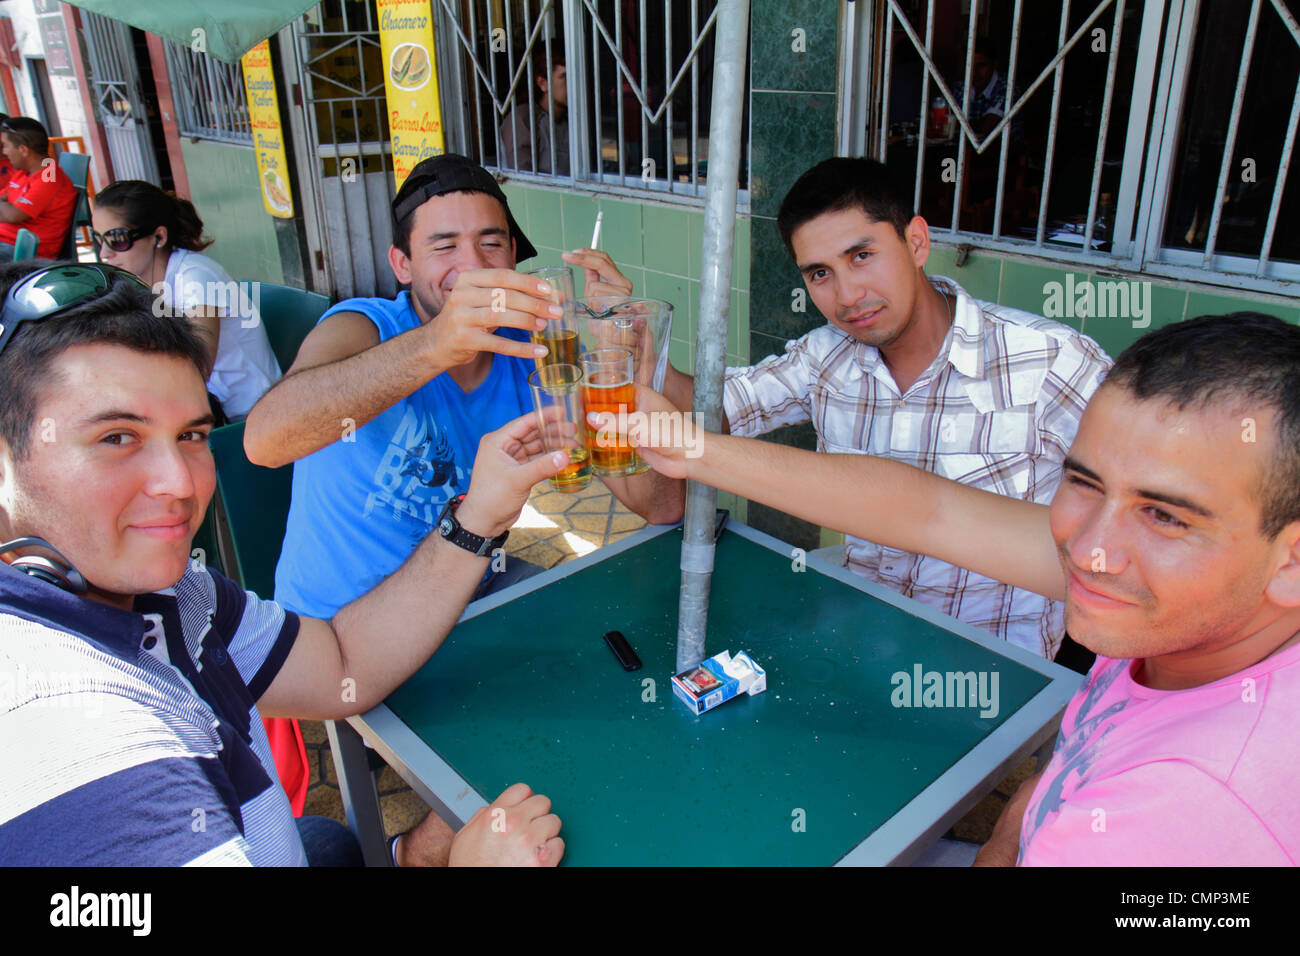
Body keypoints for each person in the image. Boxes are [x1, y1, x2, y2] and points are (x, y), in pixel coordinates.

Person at [617, 311, 1300, 865]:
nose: (1089, 553)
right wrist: (692, 449)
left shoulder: (1175, 817)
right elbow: (931, 512)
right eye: (1083, 482)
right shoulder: (1190, 617)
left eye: (1165, 516)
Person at [0, 261, 568, 866]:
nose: (179, 484)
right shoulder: (83, 747)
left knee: (324, 842)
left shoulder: (167, 590)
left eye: (191, 435)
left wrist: (477, 516)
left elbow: (341, 661)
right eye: (117, 437)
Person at [660, 157, 1112, 660]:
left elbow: (1128, 529)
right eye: (819, 273)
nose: (848, 295)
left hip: (1000, 673)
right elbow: (710, 413)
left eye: (861, 256)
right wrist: (644, 347)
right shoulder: (823, 356)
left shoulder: (1053, 363)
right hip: (867, 645)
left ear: (916, 242)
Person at [245, 152, 683, 620]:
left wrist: (621, 356)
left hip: (471, 597)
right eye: (444, 246)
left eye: (490, 244)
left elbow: (661, 506)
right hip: (336, 627)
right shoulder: (364, 327)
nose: (473, 267)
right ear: (403, 264)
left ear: (513, 257)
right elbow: (264, 440)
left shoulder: (538, 350)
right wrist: (438, 343)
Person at [91, 180, 282, 422]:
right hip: (206, 407)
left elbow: (199, 367)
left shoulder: (195, 276)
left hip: (247, 417)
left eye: (117, 239)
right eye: (98, 239)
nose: (104, 253)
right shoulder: (143, 282)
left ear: (158, 237)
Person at [0, 116, 76, 260]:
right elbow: (4, 201)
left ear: (23, 150)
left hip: (23, 252)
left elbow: (12, 215)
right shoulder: (24, 172)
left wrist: (8, 207)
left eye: (6, 145)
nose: (4, 151)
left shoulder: (49, 178)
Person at [499, 47, 568, 175]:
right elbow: (522, 177)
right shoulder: (523, 119)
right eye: (564, 76)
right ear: (543, 83)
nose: (573, 84)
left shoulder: (569, 120)